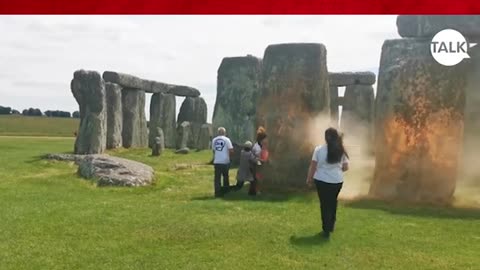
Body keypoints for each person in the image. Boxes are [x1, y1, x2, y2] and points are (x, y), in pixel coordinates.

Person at [306, 127, 349, 238]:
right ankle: (331, 225)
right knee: (333, 202)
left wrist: (309, 179)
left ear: (325, 138)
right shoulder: (340, 150)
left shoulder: (319, 150)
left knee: (325, 204)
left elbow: (313, 166)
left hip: (322, 181)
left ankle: (326, 229)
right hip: (337, 181)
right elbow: (345, 168)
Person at [212, 127, 234, 197]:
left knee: (217, 178)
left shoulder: (214, 140)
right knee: (225, 176)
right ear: (225, 132)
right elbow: (231, 150)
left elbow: (214, 150)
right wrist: (230, 157)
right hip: (225, 161)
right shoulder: (227, 140)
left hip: (217, 161)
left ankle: (217, 192)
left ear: (218, 132)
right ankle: (225, 191)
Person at [251, 127, 268, 195]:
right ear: (262, 140)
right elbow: (255, 157)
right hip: (258, 164)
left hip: (262, 163)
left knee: (261, 177)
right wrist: (261, 160)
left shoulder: (263, 146)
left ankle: (260, 190)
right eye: (265, 139)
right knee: (258, 178)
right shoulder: (257, 147)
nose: (266, 140)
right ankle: (257, 190)